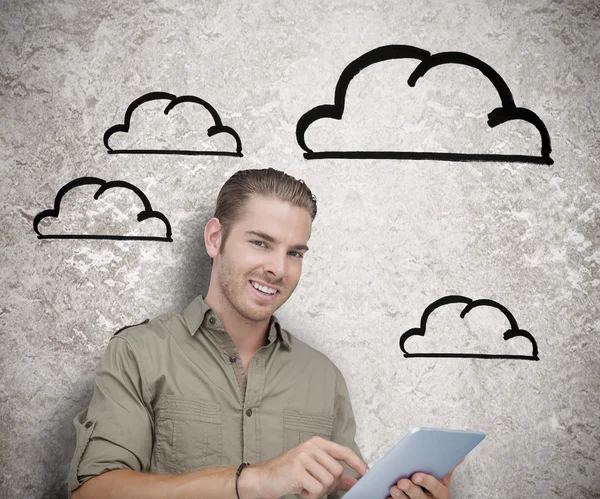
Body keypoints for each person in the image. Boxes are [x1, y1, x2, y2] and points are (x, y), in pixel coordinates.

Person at [68, 168, 459, 499]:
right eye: (260, 243)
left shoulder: (323, 377)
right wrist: (253, 480)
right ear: (215, 238)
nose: (278, 269)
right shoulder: (138, 353)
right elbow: (93, 490)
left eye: (295, 253)